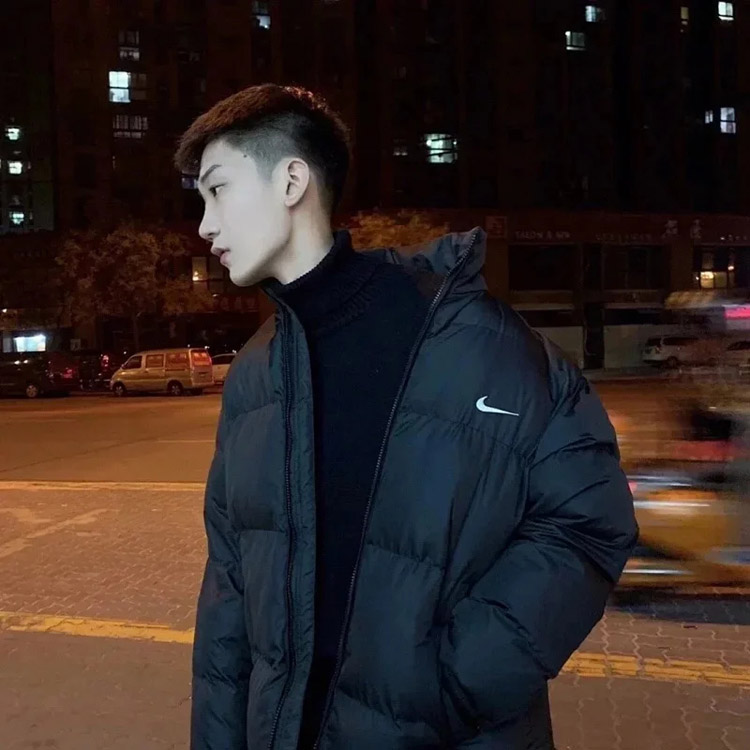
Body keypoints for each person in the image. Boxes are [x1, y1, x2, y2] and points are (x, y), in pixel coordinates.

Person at [175, 84, 638, 750]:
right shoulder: (254, 372)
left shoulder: (473, 337)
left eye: (218, 190)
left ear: (292, 181)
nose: (205, 225)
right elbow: (228, 589)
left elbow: (588, 518)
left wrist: (456, 683)